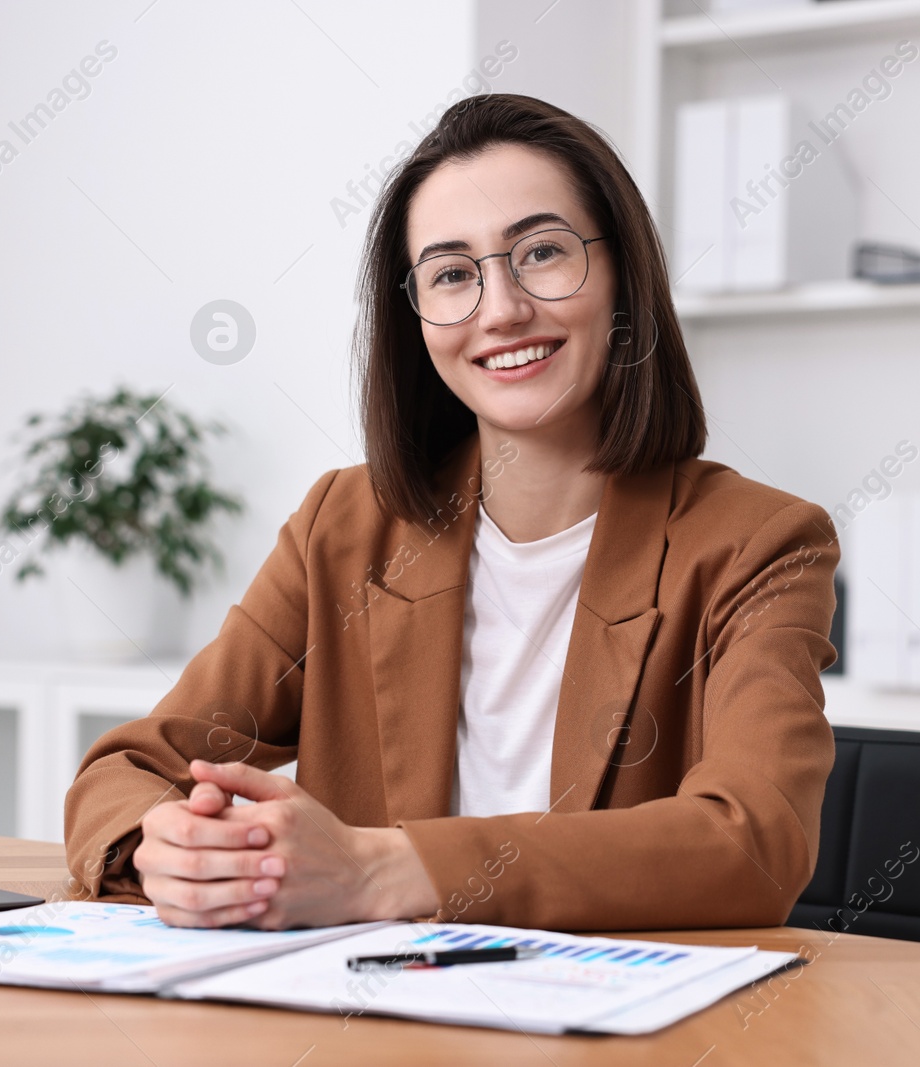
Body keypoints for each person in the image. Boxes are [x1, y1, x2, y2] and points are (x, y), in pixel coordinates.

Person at [63, 93, 839, 933]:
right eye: (452, 274)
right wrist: (168, 848)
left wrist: (384, 869)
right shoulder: (344, 525)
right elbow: (132, 765)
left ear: (623, 277)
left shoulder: (761, 544)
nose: (500, 310)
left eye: (542, 252)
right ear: (417, 318)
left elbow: (755, 842)